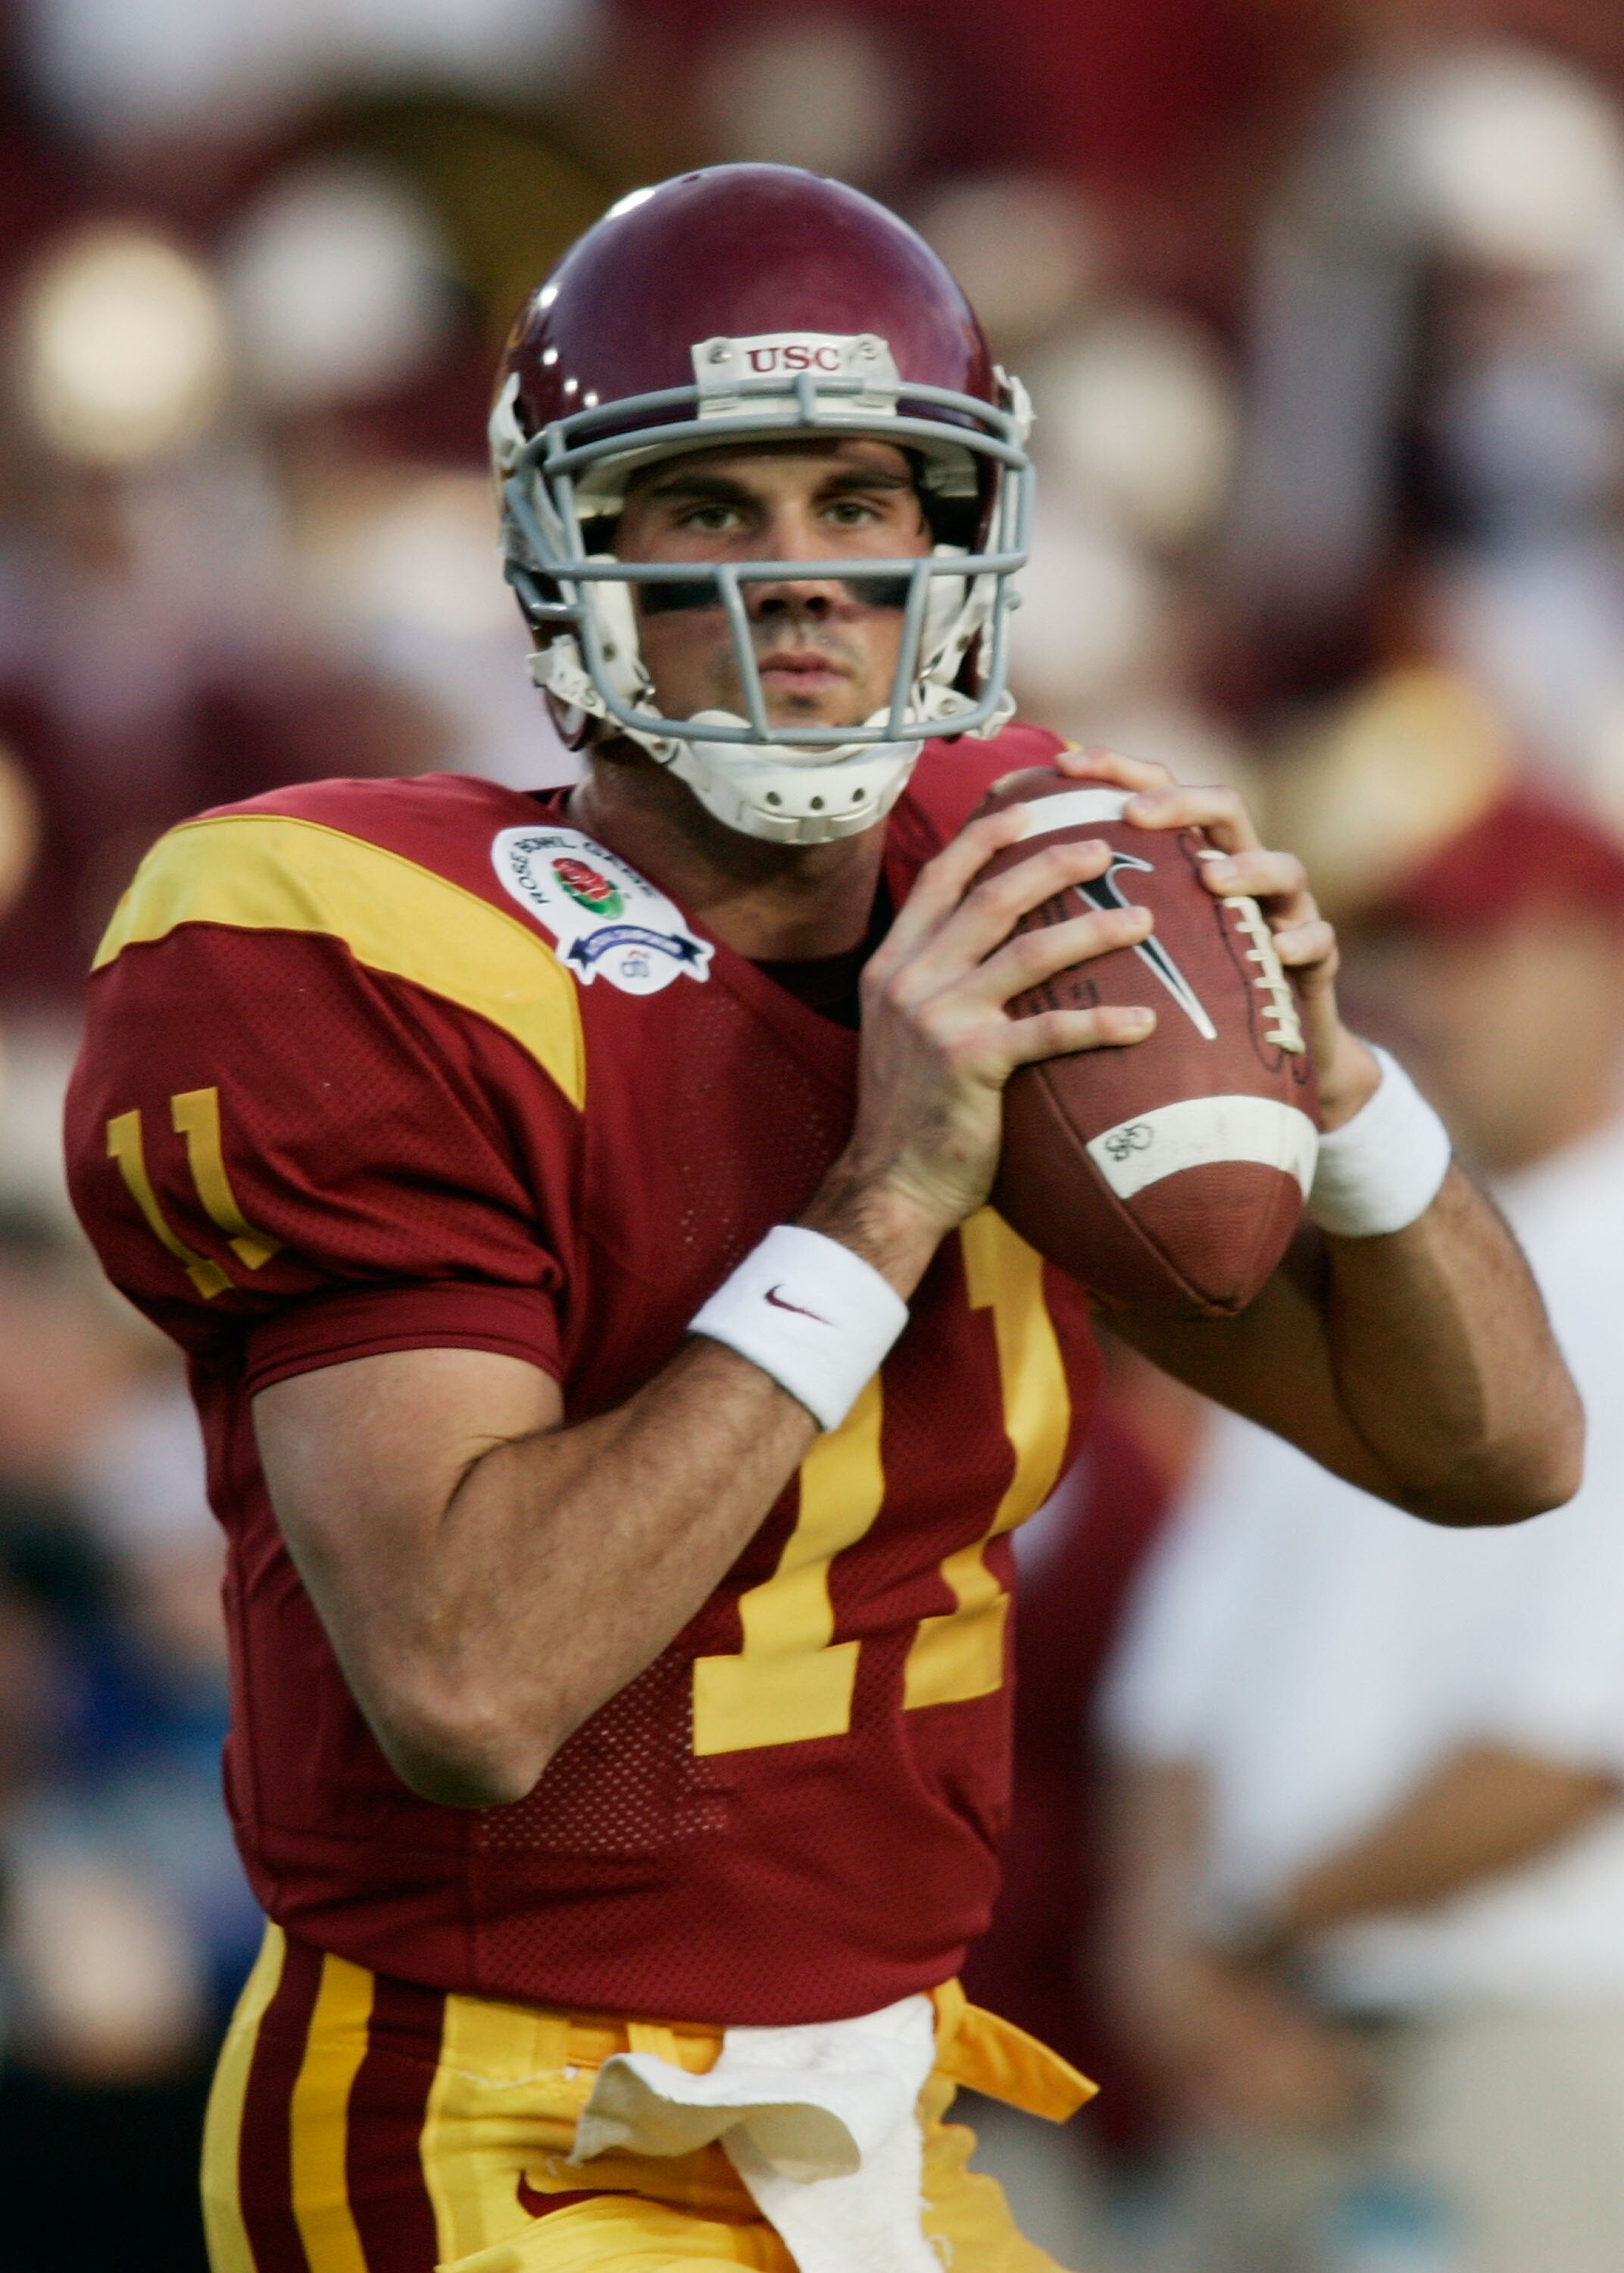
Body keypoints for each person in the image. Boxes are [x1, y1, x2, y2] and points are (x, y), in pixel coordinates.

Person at [62, 167, 1576, 2273]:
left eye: (863, 504)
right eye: (708, 509)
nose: (800, 584)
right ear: (569, 550)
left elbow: (1498, 1452)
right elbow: (469, 1685)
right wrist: (885, 1194)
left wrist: (1336, 1090)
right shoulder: (361, 942)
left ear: (958, 544)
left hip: (887, 2109)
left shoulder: (1013, 919)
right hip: (515, 2129)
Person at [1101, 788, 1624, 2273]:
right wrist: (1169, 1962)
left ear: (1595, 963)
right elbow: (1171, 1692)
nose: (1418, 1001)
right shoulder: (1356, 1265)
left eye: (1471, 951)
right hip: (1256, 2041)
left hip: (1520, 2036)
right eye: (1398, 954)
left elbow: (1571, 1749)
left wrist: (1235, 1939)